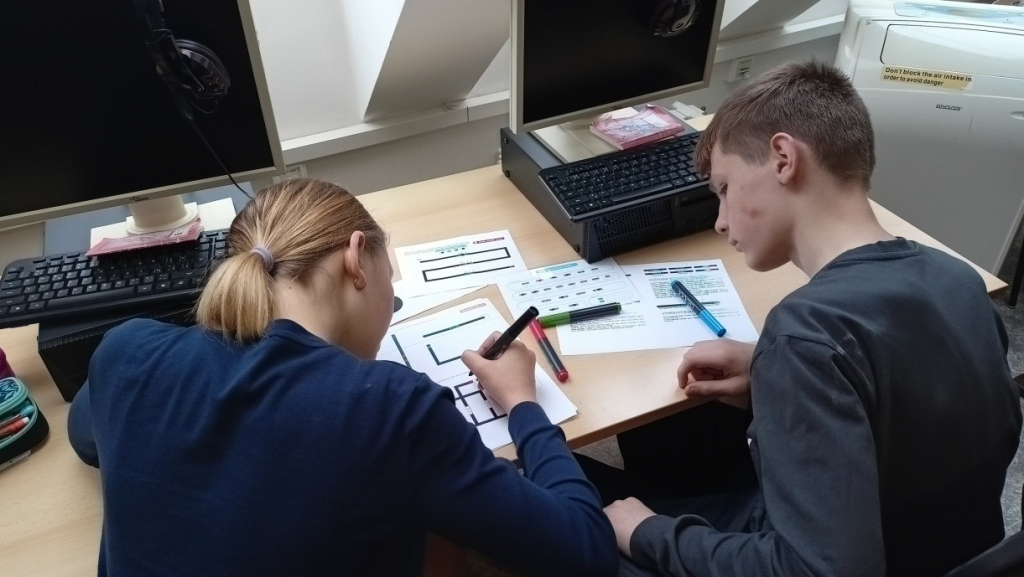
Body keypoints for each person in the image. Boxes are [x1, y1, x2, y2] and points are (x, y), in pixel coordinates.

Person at [578, 61, 1023, 577]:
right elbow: (924, 402)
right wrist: (766, 371)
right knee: (663, 428)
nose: (720, 220)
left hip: (830, 556)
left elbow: (817, 571)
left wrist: (647, 533)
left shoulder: (804, 334)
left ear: (784, 159)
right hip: (939, 545)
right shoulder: (955, 277)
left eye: (724, 188)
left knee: (559, 491)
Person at [67, 178, 617, 577]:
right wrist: (523, 403)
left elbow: (86, 438)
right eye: (391, 286)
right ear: (356, 258)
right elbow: (584, 553)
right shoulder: (389, 407)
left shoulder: (124, 352)